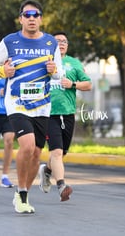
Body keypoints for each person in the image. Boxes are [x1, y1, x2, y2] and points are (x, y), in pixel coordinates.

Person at [0, 0, 63, 214]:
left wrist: (53, 70)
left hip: (42, 105)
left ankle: (23, 195)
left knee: (37, 153)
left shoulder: (51, 43)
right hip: (17, 102)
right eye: (27, 15)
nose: (31, 19)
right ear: (20, 18)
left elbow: (60, 73)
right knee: (28, 146)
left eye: (36, 15)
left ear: (41, 18)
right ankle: (21, 192)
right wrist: (4, 72)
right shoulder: (9, 41)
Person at [38, 31, 92, 201]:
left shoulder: (74, 63)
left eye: (64, 41)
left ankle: (46, 170)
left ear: (67, 45)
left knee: (62, 153)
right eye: (57, 41)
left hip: (68, 114)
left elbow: (88, 84)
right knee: (57, 152)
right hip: (48, 114)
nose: (61, 43)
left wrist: (73, 84)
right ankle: (61, 185)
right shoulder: (43, 62)